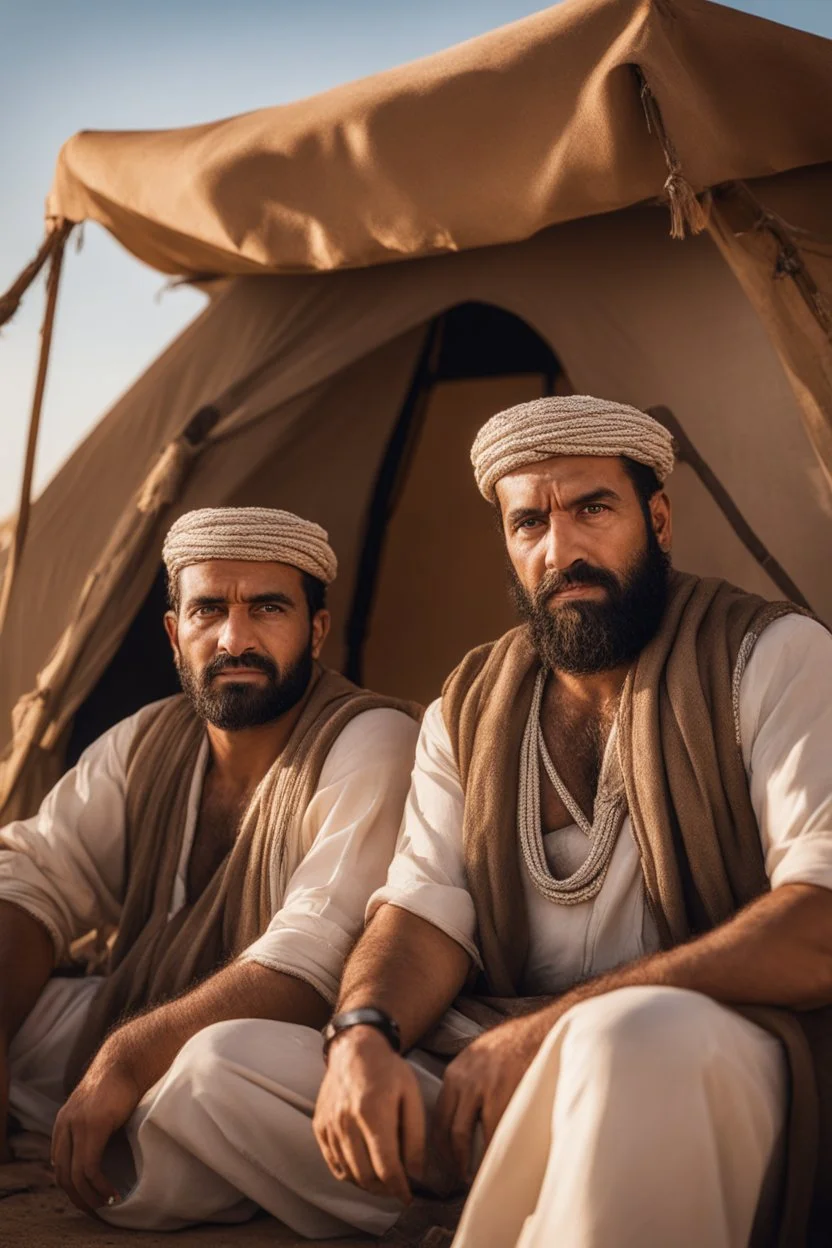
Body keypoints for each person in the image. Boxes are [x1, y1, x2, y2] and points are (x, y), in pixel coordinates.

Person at [309, 396, 832, 1247]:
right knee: (236, 1069)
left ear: (657, 520)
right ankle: (543, 1187)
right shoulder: (466, 711)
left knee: (630, 1045)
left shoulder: (773, 656)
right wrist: (362, 1034)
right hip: (497, 1046)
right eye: (529, 523)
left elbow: (819, 925)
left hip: (707, 1044)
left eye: (593, 509)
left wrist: (556, 1029)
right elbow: (420, 911)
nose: (562, 550)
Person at [0, 505, 420, 1232]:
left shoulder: (370, 740)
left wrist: (127, 1059)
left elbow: (311, 964)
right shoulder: (149, 741)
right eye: (209, 611)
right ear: (174, 633)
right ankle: (132, 1133)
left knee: (211, 1074)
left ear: (315, 630)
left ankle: (133, 1134)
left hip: (281, 1049)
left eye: (267, 608)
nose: (235, 638)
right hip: (145, 1012)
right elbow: (33, 871)